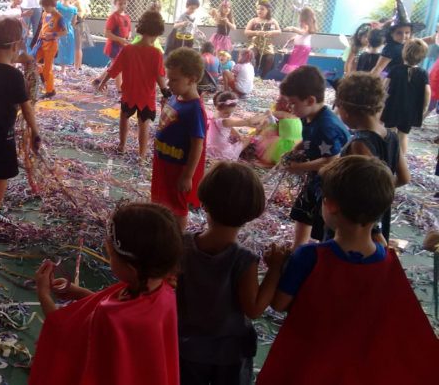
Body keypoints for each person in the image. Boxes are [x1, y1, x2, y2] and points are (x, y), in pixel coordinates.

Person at [258, 156, 439, 385]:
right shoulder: (388, 261)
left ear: (331, 206)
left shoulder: (309, 257)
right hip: (359, 362)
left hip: (311, 358)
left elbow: (279, 304)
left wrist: (275, 268)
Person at [30, 203, 183, 385]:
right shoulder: (161, 289)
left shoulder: (111, 316)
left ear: (131, 269)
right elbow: (112, 304)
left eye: (111, 255)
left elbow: (66, 338)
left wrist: (43, 293)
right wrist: (76, 292)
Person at [178, 161, 286, 385]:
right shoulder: (243, 260)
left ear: (204, 204)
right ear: (252, 213)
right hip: (228, 355)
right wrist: (275, 269)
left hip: (185, 347)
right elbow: (254, 308)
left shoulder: (182, 244)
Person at [0, 18, 41, 224]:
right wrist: (36, 131)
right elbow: (26, 108)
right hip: (3, 132)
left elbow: (3, 63)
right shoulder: (14, 76)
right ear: (15, 45)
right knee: (2, 174)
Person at [334, 72, 409, 242]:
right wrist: (381, 192)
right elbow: (404, 178)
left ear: (345, 110)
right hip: (377, 212)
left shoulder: (360, 144)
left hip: (358, 219)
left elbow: (365, 190)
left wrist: (374, 229)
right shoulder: (392, 136)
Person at [279, 66, 350, 246]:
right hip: (315, 175)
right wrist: (296, 149)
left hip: (331, 180)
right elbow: (307, 137)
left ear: (310, 100)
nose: (289, 107)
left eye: (292, 102)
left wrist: (298, 167)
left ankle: (324, 253)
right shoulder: (307, 115)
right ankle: (298, 248)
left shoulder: (327, 127)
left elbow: (331, 160)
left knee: (325, 220)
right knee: (302, 213)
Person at [94, 11, 171, 158]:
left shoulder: (128, 49)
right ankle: (141, 154)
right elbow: (160, 77)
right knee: (144, 124)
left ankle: (121, 146)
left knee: (124, 118)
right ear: (157, 33)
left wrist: (102, 82)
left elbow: (114, 68)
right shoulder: (156, 53)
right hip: (146, 96)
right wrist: (166, 91)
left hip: (129, 93)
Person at [152, 47, 208, 231]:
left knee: (177, 207)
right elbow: (170, 122)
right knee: (161, 199)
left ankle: (178, 240)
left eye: (174, 80)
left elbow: (197, 144)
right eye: (169, 78)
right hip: (164, 162)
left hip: (178, 168)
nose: (169, 83)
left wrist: (188, 175)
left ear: (191, 79)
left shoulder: (195, 109)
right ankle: (162, 230)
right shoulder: (177, 98)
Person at [380, 38, 429, 155]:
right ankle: (401, 160)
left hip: (393, 107)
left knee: (390, 132)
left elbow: (384, 87)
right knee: (403, 135)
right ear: (423, 57)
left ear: (404, 53)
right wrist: (424, 108)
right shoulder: (423, 73)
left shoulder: (395, 69)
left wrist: (381, 101)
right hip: (410, 110)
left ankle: (387, 155)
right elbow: (427, 92)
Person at [371, 0, 435, 77]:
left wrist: (433, 38)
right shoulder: (390, 48)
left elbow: (425, 40)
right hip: (391, 79)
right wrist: (368, 84)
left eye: (407, 32)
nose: (404, 36)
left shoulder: (408, 43)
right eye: (399, 33)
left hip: (405, 78)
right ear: (391, 34)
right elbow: (379, 67)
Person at [206, 91, 263, 161]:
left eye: (231, 112)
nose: (229, 115)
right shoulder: (225, 121)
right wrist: (264, 116)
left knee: (237, 135)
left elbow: (229, 128)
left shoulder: (216, 114)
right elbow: (247, 122)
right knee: (247, 139)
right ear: (218, 108)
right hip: (222, 152)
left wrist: (238, 135)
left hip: (212, 146)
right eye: (226, 113)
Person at [31, 0, 67, 99]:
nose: (45, 8)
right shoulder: (44, 13)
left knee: (48, 68)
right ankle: (42, 76)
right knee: (32, 60)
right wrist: (37, 42)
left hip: (51, 45)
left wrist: (53, 34)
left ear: (53, 4)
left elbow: (65, 32)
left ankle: (50, 90)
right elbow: (43, 28)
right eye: (43, 6)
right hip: (41, 42)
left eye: (46, 6)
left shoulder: (59, 17)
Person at [244, 0, 281, 78]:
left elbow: (279, 31)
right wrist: (257, 33)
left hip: (267, 45)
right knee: (251, 54)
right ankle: (250, 75)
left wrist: (271, 33)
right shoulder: (253, 20)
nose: (259, 11)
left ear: (268, 10)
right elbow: (246, 32)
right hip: (255, 44)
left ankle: (262, 77)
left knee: (270, 58)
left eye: (262, 9)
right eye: (258, 9)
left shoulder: (272, 21)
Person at [104, 0, 131, 92]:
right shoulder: (113, 17)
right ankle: (120, 89)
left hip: (123, 46)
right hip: (114, 47)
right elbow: (107, 33)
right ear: (115, 3)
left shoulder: (127, 17)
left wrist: (128, 38)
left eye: (124, 3)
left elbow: (129, 31)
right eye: (120, 4)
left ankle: (99, 80)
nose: (122, 6)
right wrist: (120, 39)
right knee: (117, 68)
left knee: (118, 67)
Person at [281, 7, 316, 74]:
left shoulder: (306, 25)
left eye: (300, 15)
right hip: (301, 48)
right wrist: (293, 39)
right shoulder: (307, 25)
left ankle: (293, 76)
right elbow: (303, 35)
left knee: (294, 64)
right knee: (296, 64)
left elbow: (302, 32)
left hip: (301, 49)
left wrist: (292, 28)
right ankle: (295, 76)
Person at [55, 0, 78, 75]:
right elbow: (74, 22)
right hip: (68, 30)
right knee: (66, 48)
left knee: (58, 47)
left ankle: (59, 66)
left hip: (58, 28)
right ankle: (63, 69)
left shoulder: (57, 5)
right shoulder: (74, 9)